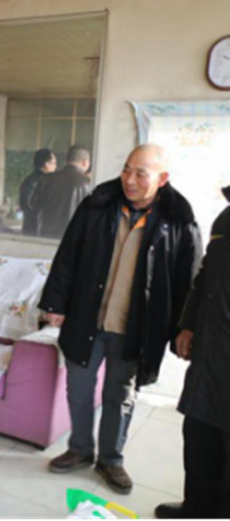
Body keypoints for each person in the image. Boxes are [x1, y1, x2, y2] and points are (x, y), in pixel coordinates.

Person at [39, 144, 202, 495]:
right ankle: (80, 449)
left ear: (162, 179)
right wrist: (55, 302)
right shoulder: (98, 206)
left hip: (135, 328)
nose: (129, 179)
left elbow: (188, 281)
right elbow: (68, 255)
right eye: (127, 169)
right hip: (87, 318)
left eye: (140, 174)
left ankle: (111, 459)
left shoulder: (179, 220)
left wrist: (184, 328)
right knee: (78, 389)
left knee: (120, 395)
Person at [155, 185, 230, 521]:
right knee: (200, 437)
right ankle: (196, 510)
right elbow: (205, 277)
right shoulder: (226, 217)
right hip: (211, 354)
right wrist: (188, 324)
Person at [32, 145, 92, 239]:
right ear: (85, 162)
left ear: (66, 160)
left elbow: (34, 205)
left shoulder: (46, 179)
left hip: (45, 237)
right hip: (72, 238)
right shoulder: (87, 183)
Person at [19, 149, 57, 236]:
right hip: (34, 230)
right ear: (46, 164)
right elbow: (26, 205)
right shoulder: (36, 181)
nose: (55, 167)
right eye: (54, 163)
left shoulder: (34, 180)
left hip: (35, 228)